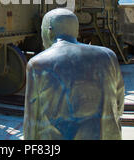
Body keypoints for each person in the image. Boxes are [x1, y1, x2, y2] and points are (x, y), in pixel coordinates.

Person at [23, 8, 125, 140]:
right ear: (75, 31)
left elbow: (32, 120)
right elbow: (119, 104)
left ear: (49, 31)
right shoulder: (108, 55)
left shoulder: (37, 64)